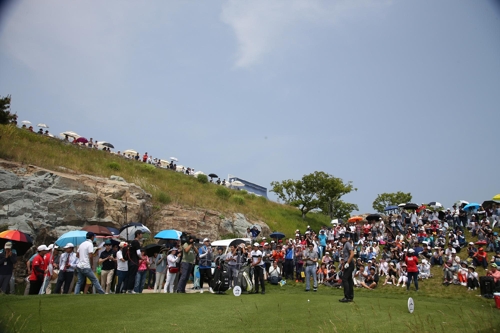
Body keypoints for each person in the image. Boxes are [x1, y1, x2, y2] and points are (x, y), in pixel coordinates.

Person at [339, 234, 354, 302]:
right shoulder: (345, 245)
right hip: (347, 263)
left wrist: (347, 263)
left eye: (341, 239)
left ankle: (347, 296)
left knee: (345, 279)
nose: (340, 240)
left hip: (349, 263)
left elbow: (352, 254)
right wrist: (344, 264)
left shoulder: (347, 243)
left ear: (344, 238)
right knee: (349, 280)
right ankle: (350, 296)